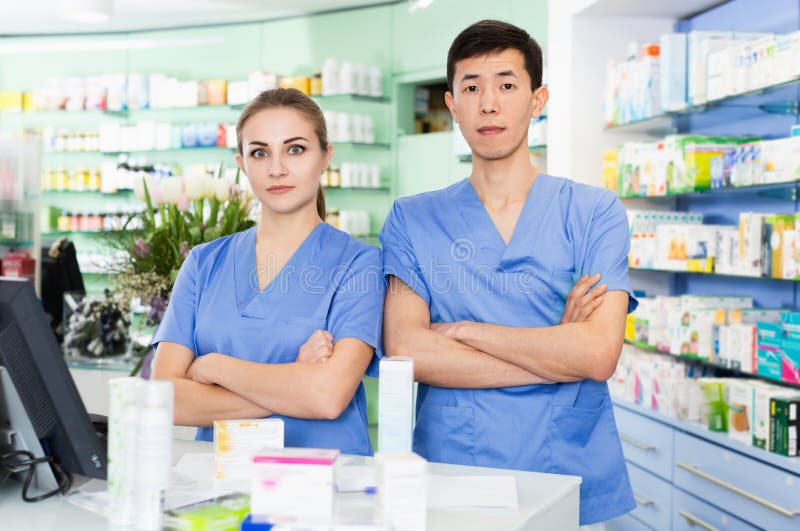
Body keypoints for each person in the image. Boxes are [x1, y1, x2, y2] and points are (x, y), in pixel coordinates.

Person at [380, 20, 637, 527]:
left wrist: (467, 332)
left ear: (538, 100)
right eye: (471, 87)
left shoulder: (594, 212)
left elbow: (598, 352)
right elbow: (408, 349)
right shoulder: (412, 219)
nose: (488, 104)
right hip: (453, 472)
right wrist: (557, 347)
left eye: (506, 84)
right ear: (452, 104)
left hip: (568, 466)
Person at [152, 88, 382, 456]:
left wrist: (214, 367)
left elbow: (327, 396)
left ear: (326, 157)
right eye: (260, 152)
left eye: (295, 149)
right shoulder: (203, 263)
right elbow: (165, 400)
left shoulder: (359, 264)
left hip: (326, 482)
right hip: (222, 483)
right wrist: (296, 378)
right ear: (241, 163)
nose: (277, 168)